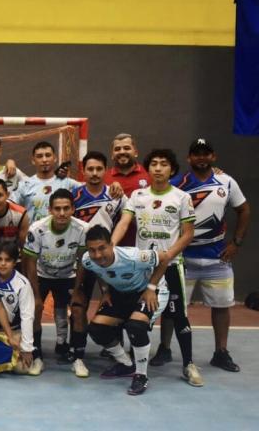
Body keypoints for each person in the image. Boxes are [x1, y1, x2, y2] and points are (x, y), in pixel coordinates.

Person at [111, 149, 202, 387]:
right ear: (148, 169)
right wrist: (111, 244)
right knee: (135, 312)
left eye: (163, 164)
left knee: (179, 316)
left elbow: (188, 233)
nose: (158, 168)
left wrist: (169, 254)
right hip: (142, 266)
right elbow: (124, 222)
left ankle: (189, 364)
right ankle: (134, 358)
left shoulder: (182, 197)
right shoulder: (138, 195)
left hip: (171, 266)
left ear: (171, 169)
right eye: (154, 164)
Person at [163, 139, 250, 372]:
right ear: (189, 158)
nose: (201, 158)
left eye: (206, 153)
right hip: (184, 259)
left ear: (213, 156)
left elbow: (243, 210)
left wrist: (236, 243)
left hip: (218, 258)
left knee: (222, 306)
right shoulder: (176, 184)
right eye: (196, 154)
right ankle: (164, 349)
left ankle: (221, 352)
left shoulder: (226, 181)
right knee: (173, 307)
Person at [80, 225, 171, 395]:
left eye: (102, 248)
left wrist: (151, 288)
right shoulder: (87, 260)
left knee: (135, 326)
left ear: (111, 244)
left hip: (150, 292)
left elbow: (165, 258)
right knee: (96, 329)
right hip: (122, 294)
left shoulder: (133, 256)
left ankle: (141, 375)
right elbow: (99, 272)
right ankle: (126, 364)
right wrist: (105, 291)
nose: (98, 255)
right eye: (92, 250)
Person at [22, 189, 89, 376]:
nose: (62, 213)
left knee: (78, 308)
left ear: (73, 209)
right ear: (50, 209)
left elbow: (83, 261)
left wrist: (78, 290)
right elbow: (30, 264)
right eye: (57, 209)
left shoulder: (83, 229)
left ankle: (78, 358)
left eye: (66, 208)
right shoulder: (37, 229)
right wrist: (35, 296)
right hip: (42, 274)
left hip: (69, 275)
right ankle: (37, 357)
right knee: (34, 309)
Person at [72, 151, 127, 357]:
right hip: (82, 260)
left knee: (114, 302)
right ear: (83, 171)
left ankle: (113, 346)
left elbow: (126, 222)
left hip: (110, 261)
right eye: (90, 169)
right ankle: (77, 349)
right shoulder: (75, 196)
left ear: (106, 170)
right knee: (79, 304)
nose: (94, 173)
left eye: (99, 169)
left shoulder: (117, 197)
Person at [0, 243, 35, 374]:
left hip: (13, 332)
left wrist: (26, 348)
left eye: (7, 260)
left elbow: (27, 316)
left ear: (15, 262)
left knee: (22, 369)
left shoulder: (22, 284)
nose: (3, 264)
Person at [10, 141, 82, 223]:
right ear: (33, 160)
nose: (44, 160)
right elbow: (9, 206)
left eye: (48, 155)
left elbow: (91, 191)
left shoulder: (68, 183)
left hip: (61, 234)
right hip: (33, 234)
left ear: (55, 158)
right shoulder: (24, 184)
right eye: (39, 156)